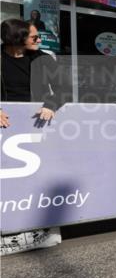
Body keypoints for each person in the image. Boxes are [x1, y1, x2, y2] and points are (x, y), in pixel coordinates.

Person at [0, 18, 69, 255]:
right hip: (5, 128)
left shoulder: (42, 59)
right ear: (16, 40)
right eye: (34, 37)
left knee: (35, 176)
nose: (39, 40)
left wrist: (51, 104)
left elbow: (64, 88)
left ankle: (40, 230)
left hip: (35, 127)